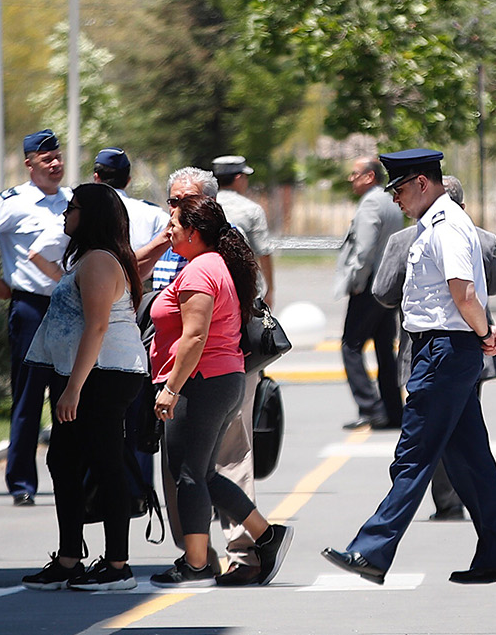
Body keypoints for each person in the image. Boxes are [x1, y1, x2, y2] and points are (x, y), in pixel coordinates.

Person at [323, 149, 496, 586]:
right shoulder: (435, 224)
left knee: (413, 457)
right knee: (471, 462)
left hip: (444, 353)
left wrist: (485, 332)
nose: (394, 197)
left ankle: (371, 550)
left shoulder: (446, 227)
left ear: (421, 183)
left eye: (398, 188)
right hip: (446, 350)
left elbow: (463, 292)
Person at [147, 197, 293, 587]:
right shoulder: (213, 264)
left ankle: (196, 563)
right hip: (218, 379)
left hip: (201, 382)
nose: (170, 231)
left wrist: (171, 388)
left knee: (190, 475)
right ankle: (266, 535)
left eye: (175, 225)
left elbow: (194, 337)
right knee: (200, 473)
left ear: (193, 232)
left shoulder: (199, 271)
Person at [19, 184, 152, 592]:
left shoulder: (98, 262)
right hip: (87, 372)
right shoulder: (90, 260)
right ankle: (69, 559)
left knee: (106, 462)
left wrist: (73, 388)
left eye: (71, 208)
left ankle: (117, 566)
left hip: (104, 374)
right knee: (64, 461)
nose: (64, 213)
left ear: (89, 216)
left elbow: (97, 326)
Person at [370, 175, 496, 522]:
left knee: (420, 445)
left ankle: (382, 538)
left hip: (437, 346)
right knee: (466, 437)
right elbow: (495, 283)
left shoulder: (411, 238)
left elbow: (384, 292)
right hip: (470, 343)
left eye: (401, 192)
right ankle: (494, 539)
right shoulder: (483, 237)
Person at [0, 130, 69, 505]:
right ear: (29, 163)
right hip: (30, 308)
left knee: (70, 396)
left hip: (69, 308)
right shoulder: (13, 203)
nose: (55, 164)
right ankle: (22, 483)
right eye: (46, 158)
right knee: (29, 396)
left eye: (58, 156)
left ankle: (72, 478)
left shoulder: (72, 201)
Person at [335, 157, 403, 430]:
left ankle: (371, 407)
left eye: (355, 174)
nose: (351, 179)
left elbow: (364, 250)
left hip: (369, 286)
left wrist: (357, 281)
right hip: (387, 286)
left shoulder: (372, 203)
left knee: (350, 346)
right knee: (384, 349)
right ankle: (393, 410)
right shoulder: (389, 201)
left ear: (370, 177)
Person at [213, 154, 275, 302]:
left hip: (211, 282)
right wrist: (270, 289)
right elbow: (263, 251)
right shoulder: (251, 209)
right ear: (239, 178)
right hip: (243, 287)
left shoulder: (204, 205)